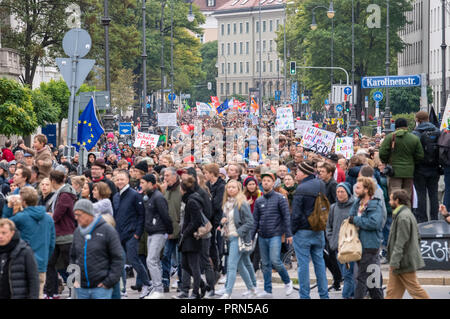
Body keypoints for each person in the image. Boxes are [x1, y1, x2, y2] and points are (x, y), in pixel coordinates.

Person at [3, 186, 55, 299]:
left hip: (21, 264)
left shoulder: (20, 217)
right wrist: (45, 258)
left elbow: (4, 226)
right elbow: (51, 243)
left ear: (24, 201)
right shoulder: (48, 218)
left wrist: (8, 207)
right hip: (41, 264)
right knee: (38, 294)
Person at [70, 199, 124, 299]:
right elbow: (73, 257)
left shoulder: (107, 230)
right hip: (81, 288)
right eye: (75, 214)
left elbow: (118, 258)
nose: (76, 218)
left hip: (101, 288)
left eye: (79, 214)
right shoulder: (77, 232)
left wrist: (108, 282)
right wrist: (73, 280)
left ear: (89, 213)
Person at [291, 161, 329, 299]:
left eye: (298, 171)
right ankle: (324, 295)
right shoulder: (321, 184)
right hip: (318, 228)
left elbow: (296, 214)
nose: (296, 174)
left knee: (303, 265)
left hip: (303, 230)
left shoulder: (301, 189)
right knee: (319, 262)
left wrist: (293, 230)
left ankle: (305, 296)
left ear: (303, 172)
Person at [252, 172, 293, 298]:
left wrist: (288, 234)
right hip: (262, 235)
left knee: (275, 260)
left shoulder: (280, 198)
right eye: (264, 180)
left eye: (268, 180)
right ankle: (267, 290)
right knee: (265, 264)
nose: (266, 182)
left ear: (273, 182)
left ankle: (287, 282)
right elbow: (255, 221)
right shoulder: (259, 201)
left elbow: (286, 217)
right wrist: (251, 236)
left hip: (275, 234)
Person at [112, 170, 151, 299]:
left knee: (134, 261)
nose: (119, 181)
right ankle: (122, 290)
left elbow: (141, 215)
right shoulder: (116, 196)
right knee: (120, 263)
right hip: (119, 235)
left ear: (128, 180)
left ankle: (147, 283)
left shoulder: (134, 195)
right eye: (117, 179)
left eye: (122, 179)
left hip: (131, 235)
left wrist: (137, 234)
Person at [385, 190, 429, 299]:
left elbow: (401, 242)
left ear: (397, 201)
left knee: (415, 291)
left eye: (391, 199)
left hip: (403, 262)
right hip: (400, 261)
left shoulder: (403, 217)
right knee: (392, 292)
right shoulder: (405, 214)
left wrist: (394, 261)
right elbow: (417, 237)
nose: (389, 202)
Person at [219, 179, 257, 299]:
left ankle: (228, 292)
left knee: (231, 265)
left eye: (233, 187)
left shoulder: (242, 203)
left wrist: (238, 233)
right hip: (229, 238)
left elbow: (250, 222)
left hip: (238, 238)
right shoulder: (226, 204)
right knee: (240, 266)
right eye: (229, 187)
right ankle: (252, 289)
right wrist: (222, 222)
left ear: (238, 189)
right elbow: (227, 221)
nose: (230, 189)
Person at [348, 176, 384, 299]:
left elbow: (374, 223)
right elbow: (350, 218)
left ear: (367, 189)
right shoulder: (357, 203)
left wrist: (356, 220)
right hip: (357, 245)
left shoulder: (375, 204)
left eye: (358, 188)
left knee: (361, 278)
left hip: (370, 246)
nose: (355, 190)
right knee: (372, 280)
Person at [44, 170, 77, 299]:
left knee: (71, 266)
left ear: (52, 181)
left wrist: (48, 216)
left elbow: (57, 215)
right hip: (57, 235)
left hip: (66, 236)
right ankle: (52, 292)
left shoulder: (65, 194)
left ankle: (74, 292)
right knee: (50, 264)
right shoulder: (59, 193)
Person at [140, 174, 173, 299]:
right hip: (152, 231)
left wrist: (169, 231)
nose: (141, 185)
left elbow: (165, 215)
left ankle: (158, 289)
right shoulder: (150, 197)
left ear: (150, 183)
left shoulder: (158, 197)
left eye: (143, 182)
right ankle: (156, 287)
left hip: (159, 231)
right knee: (155, 261)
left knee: (151, 260)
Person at [174, 175, 204, 299]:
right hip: (187, 236)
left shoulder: (192, 201)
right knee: (185, 264)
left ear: (183, 189)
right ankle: (203, 284)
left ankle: (196, 292)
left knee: (193, 266)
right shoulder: (189, 199)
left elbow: (196, 220)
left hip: (191, 237)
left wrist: (186, 232)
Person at [379, 118, 424, 197]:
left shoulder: (390, 137)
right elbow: (420, 155)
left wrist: (386, 162)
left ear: (396, 126)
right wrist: (412, 162)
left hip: (393, 171)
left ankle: (397, 209)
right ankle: (406, 208)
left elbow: (382, 153)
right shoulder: (414, 138)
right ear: (406, 126)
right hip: (409, 171)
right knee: (407, 195)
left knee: (395, 195)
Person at [326, 182, 356, 299]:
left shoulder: (355, 206)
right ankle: (352, 295)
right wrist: (332, 239)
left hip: (350, 247)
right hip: (337, 247)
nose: (339, 194)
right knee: (345, 274)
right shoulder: (333, 207)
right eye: (338, 191)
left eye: (342, 191)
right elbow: (328, 226)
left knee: (348, 275)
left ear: (348, 193)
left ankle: (346, 295)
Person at [411, 111, 441, 223]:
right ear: (428, 118)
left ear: (417, 120)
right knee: (433, 194)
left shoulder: (415, 133)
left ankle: (422, 219)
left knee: (421, 194)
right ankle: (435, 218)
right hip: (435, 167)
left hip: (419, 168)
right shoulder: (437, 131)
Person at [0, 218, 39, 299]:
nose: (0, 236)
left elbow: (33, 279)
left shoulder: (24, 251)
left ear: (12, 233)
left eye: (4, 233)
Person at [161, 167, 182, 293]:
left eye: (167, 175)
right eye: (164, 176)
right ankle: (165, 282)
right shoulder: (166, 190)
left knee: (180, 260)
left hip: (179, 230)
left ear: (175, 176)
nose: (165, 178)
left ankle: (181, 282)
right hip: (168, 230)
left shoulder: (181, 190)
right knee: (165, 256)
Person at [204, 163, 225, 285]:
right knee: (209, 245)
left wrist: (208, 204)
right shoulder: (207, 185)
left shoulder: (221, 185)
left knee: (215, 245)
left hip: (216, 220)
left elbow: (217, 205)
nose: (205, 175)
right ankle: (212, 269)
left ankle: (217, 269)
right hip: (207, 219)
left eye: (206, 172)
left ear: (212, 173)